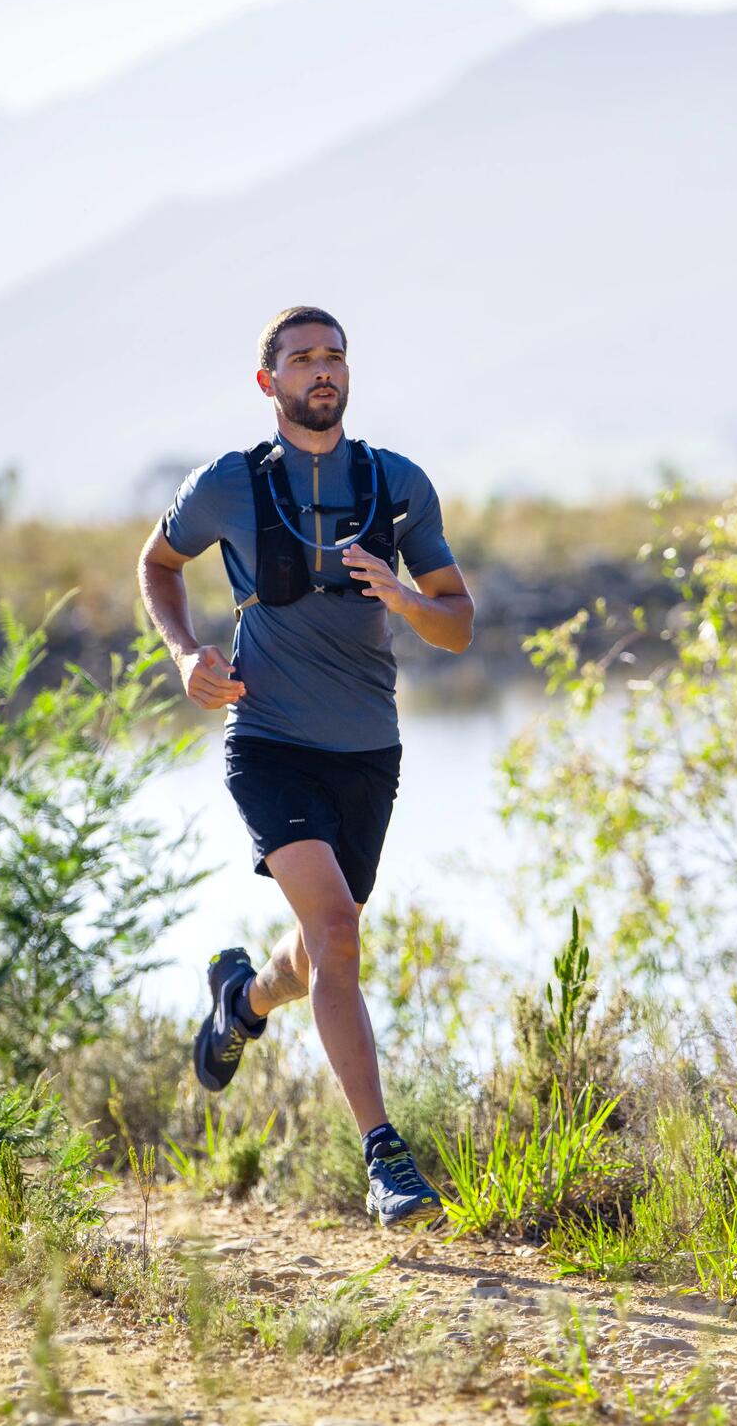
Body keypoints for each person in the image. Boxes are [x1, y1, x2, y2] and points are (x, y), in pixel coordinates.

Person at [136, 305, 475, 1227]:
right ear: (269, 382)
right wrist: (183, 653)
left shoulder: (396, 483)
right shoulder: (230, 484)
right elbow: (158, 564)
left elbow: (457, 621)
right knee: (335, 928)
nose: (320, 370)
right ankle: (386, 1158)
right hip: (269, 740)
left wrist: (402, 594)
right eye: (301, 359)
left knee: (324, 944)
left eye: (333, 356)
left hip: (368, 749)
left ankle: (241, 1000)